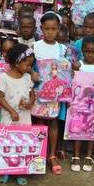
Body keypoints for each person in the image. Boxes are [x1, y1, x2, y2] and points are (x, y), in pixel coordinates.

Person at [0, 43, 36, 186]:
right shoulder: (4, 78)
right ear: (16, 62)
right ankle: (4, 172)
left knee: (22, 144)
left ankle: (20, 171)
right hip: (9, 118)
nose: (29, 68)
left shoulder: (27, 78)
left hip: (25, 117)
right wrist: (12, 111)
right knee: (6, 145)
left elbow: (32, 94)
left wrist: (31, 102)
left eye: (31, 65)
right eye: (27, 64)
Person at [32, 11, 68, 175]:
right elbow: (29, 66)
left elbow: (66, 70)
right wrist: (32, 73)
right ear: (41, 29)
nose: (50, 32)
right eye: (46, 29)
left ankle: (51, 155)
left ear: (58, 29)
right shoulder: (35, 46)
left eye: (53, 29)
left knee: (53, 122)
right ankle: (39, 152)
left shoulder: (62, 48)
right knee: (39, 121)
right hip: (39, 91)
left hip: (55, 94)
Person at [70, 35, 94, 173]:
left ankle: (89, 155)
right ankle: (76, 156)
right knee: (78, 128)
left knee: (92, 130)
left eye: (93, 52)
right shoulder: (78, 65)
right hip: (79, 104)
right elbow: (73, 83)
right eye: (87, 51)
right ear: (82, 50)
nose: (90, 54)